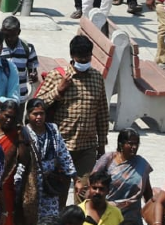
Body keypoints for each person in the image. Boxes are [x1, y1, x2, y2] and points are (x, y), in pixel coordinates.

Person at [36, 35, 111, 207]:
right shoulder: (58, 76)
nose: (84, 61)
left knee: (84, 195)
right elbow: (37, 106)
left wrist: (101, 144)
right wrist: (58, 91)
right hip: (61, 148)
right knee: (59, 194)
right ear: (72, 56)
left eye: (87, 57)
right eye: (80, 58)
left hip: (87, 147)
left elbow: (102, 113)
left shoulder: (96, 78)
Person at [20, 99, 78, 225]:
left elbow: (63, 153)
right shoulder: (24, 133)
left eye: (41, 114)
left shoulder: (53, 130)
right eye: (35, 114)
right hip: (30, 184)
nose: (38, 117)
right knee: (28, 221)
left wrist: (73, 176)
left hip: (49, 184)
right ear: (28, 114)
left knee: (49, 221)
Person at [93, 130, 153, 225]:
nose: (134, 147)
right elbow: (93, 182)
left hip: (132, 215)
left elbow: (147, 191)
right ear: (121, 144)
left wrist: (150, 212)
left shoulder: (142, 164)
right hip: (108, 211)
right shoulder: (108, 159)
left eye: (136, 144)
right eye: (130, 144)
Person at [0, 17, 39, 99]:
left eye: (13, 35)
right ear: (1, 31)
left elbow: (33, 71)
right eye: (6, 35)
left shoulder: (28, 48)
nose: (9, 38)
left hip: (20, 96)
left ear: (19, 32)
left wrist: (33, 76)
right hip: (0, 96)